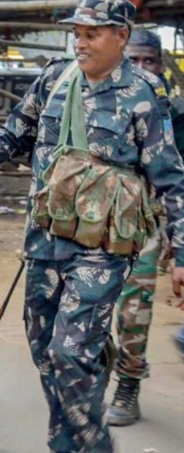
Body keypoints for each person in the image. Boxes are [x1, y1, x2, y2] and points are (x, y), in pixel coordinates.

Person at [0, 1, 184, 452]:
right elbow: (12, 136)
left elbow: (170, 179)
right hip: (44, 240)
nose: (79, 42)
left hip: (102, 251)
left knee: (69, 352)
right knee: (46, 349)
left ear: (120, 36)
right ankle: (64, 438)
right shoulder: (53, 79)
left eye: (91, 33)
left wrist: (181, 254)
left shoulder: (144, 95)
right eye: (77, 33)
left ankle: (95, 442)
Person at [106, 29, 184, 427]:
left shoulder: (174, 111)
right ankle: (97, 366)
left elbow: (177, 180)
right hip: (94, 219)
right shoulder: (98, 100)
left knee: (134, 309)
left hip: (145, 221)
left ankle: (129, 383)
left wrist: (180, 246)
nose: (141, 70)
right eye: (132, 61)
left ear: (161, 63)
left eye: (148, 61)